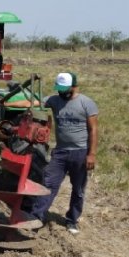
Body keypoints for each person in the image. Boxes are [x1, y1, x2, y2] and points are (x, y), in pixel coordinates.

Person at [27, 72, 98, 234]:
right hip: (60, 152)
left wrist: (91, 154)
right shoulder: (54, 100)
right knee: (48, 184)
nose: (61, 92)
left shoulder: (86, 103)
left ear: (74, 86)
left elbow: (93, 129)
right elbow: (35, 103)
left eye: (64, 89)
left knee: (78, 189)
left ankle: (72, 220)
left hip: (80, 153)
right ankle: (36, 217)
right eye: (58, 89)